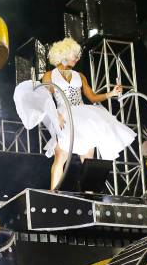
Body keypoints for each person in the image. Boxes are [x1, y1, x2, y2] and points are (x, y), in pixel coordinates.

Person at [14, 37, 136, 189]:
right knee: (61, 155)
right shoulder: (50, 75)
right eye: (75, 55)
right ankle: (53, 194)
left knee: (88, 157)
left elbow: (91, 96)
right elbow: (46, 98)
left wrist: (110, 94)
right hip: (65, 115)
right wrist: (55, 115)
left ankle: (89, 194)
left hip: (84, 114)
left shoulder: (80, 76)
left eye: (78, 56)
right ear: (64, 54)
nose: (78, 58)